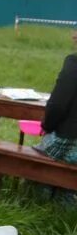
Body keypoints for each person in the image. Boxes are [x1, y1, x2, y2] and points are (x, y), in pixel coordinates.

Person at [36, 30, 77, 172]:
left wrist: (46, 126)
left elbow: (58, 106)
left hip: (69, 139)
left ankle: (40, 193)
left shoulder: (74, 63)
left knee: (41, 155)